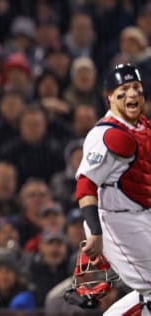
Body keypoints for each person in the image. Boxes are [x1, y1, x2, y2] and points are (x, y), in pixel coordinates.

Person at [75, 63, 151, 315]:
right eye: (124, 89)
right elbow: (86, 184)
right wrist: (95, 232)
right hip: (115, 219)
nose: (132, 94)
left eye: (136, 88)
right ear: (109, 96)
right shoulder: (106, 134)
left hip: (142, 214)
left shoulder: (144, 127)